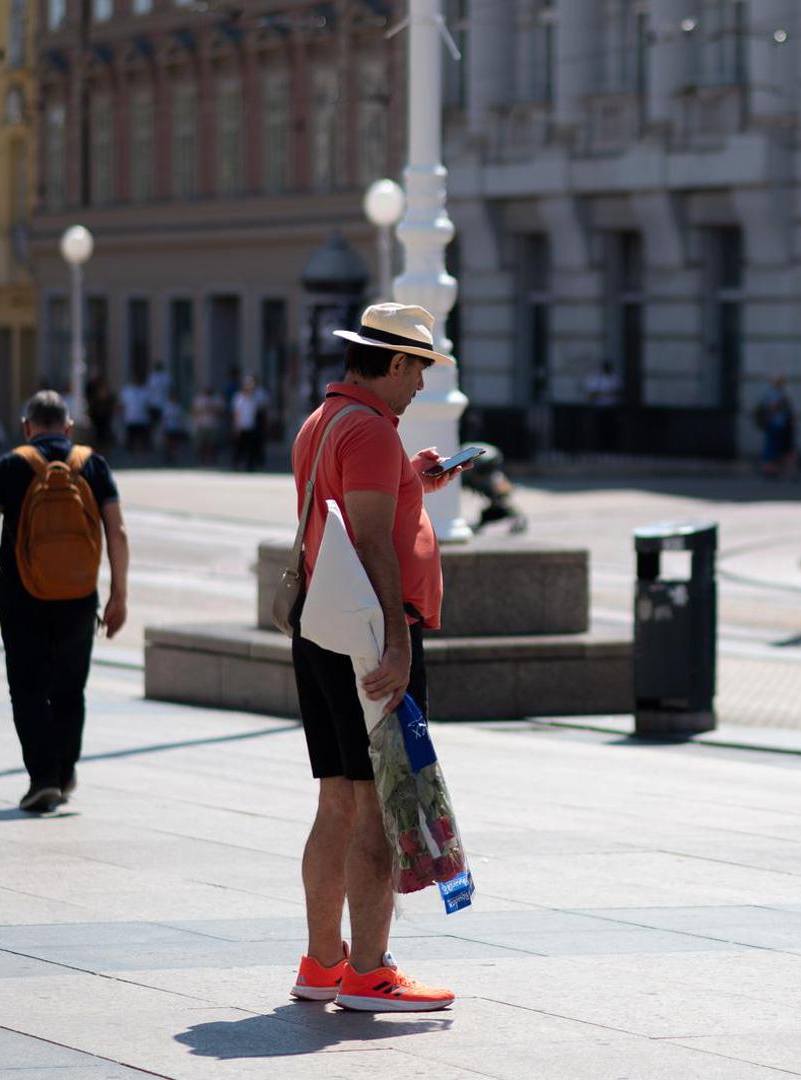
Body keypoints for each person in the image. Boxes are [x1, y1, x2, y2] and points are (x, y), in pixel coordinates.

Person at [288, 303, 468, 1013]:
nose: (420, 386)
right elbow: (368, 542)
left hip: (322, 628)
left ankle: (322, 962)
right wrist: (397, 642)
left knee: (336, 799)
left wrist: (409, 486)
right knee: (375, 806)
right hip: (367, 637)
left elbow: (350, 513)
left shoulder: (327, 418)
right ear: (393, 363)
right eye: (417, 369)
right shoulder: (369, 431)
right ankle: (369, 972)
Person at [0, 391, 130, 814]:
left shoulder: (12, 464)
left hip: (20, 598)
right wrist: (120, 593)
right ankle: (64, 772)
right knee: (70, 689)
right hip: (80, 598)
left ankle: (43, 778)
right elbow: (117, 533)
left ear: (27, 427)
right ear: (68, 427)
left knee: (27, 690)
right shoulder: (94, 464)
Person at [462, 443, 528, 533]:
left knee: (497, 495)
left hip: (484, 460)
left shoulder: (482, 472)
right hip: (486, 458)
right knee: (496, 494)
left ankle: (516, 519)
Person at [755, 375, 799, 482]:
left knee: (778, 448)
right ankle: (769, 469)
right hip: (775, 425)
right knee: (772, 448)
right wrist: (781, 405)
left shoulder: (779, 393)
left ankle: (775, 470)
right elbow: (773, 407)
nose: (782, 384)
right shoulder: (773, 393)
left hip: (780, 425)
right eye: (780, 382)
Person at [231, 374, 267, 471]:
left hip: (251, 426)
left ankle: (250, 466)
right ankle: (236, 464)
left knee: (251, 448)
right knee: (240, 447)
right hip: (242, 426)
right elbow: (236, 413)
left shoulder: (254, 398)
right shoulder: (239, 398)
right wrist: (236, 426)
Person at [191, 386, 224, 465]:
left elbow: (221, 412)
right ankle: (202, 460)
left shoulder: (216, 399)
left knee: (213, 444)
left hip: (213, 425)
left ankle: (213, 460)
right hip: (201, 425)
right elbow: (194, 411)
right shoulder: (199, 399)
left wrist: (213, 409)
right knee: (202, 444)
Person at [119, 375, 152, 454]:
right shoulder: (126, 391)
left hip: (142, 419)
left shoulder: (145, 391)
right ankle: (131, 455)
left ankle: (141, 455)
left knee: (142, 439)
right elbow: (122, 405)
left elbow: (148, 405)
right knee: (131, 440)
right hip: (130, 419)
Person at [159, 391, 188, 464]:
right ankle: (168, 457)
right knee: (168, 443)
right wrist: (163, 427)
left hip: (176, 427)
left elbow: (182, 418)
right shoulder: (166, 406)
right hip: (168, 427)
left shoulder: (178, 407)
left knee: (175, 444)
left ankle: (174, 457)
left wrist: (182, 427)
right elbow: (163, 418)